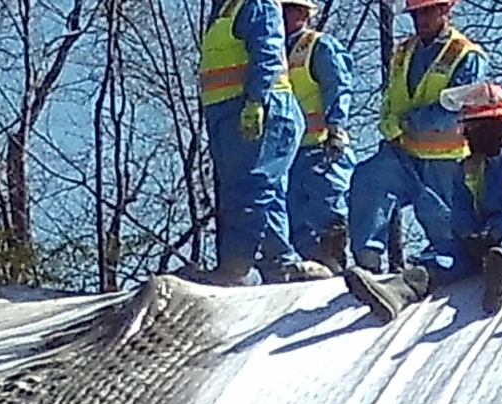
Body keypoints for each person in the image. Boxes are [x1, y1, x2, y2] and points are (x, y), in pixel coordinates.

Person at [343, 82, 502, 321]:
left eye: (473, 128)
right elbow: (460, 212)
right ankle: (399, 291)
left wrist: (498, 231)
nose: (465, 136)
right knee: (445, 252)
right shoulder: (468, 166)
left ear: (498, 125)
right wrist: (469, 235)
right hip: (484, 237)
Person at [344, 0, 486, 273]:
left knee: (446, 225)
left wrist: (413, 121)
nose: (420, 18)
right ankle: (367, 262)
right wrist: (388, 123)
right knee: (369, 179)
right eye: (416, 13)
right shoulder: (403, 51)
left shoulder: (466, 54)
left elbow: (458, 104)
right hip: (403, 153)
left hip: (446, 160)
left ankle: (450, 269)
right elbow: (391, 96)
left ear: (446, 9)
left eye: (428, 11)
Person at [198, 0, 328, 282]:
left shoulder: (255, 3)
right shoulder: (226, 9)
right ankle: (282, 262)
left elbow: (267, 50)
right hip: (230, 115)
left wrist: (256, 99)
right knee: (257, 193)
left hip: (262, 110)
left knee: (252, 190)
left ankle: (236, 267)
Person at [283, 0, 355, 267]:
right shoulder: (273, 50)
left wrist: (336, 126)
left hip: (322, 148)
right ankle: (316, 269)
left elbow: (338, 84)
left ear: (303, 13)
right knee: (295, 221)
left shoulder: (318, 46)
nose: (281, 15)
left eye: (288, 9)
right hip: (289, 153)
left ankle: (337, 264)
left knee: (330, 211)